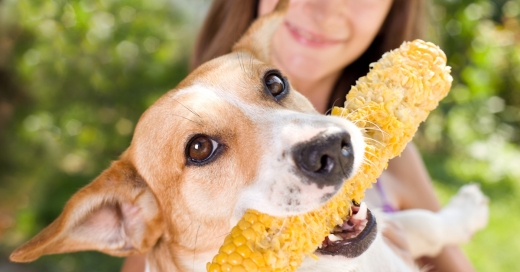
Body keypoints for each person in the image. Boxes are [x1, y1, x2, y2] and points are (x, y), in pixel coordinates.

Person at [121, 0, 476, 271]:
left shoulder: (392, 152)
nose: (324, 10)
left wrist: (441, 228)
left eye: (273, 87)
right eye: (203, 148)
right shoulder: (156, 171)